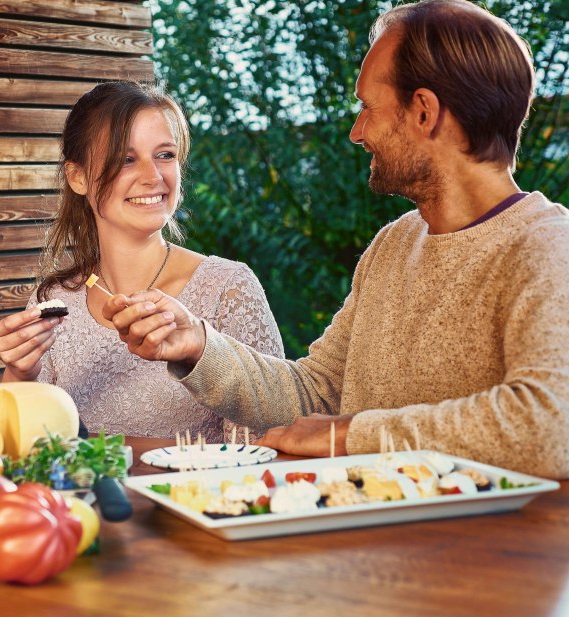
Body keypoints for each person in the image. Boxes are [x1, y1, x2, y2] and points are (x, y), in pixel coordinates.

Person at [104, 0, 569, 478]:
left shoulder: (547, 249)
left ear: (424, 112)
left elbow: (552, 426)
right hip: (378, 547)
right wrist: (199, 345)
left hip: (482, 552)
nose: (356, 131)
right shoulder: (394, 245)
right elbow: (317, 392)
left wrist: (350, 435)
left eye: (368, 106)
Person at [0, 81, 284, 441]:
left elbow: (263, 448)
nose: (153, 177)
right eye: (127, 159)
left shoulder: (229, 289)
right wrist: (20, 374)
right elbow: (28, 452)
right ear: (77, 177)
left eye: (165, 155)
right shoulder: (53, 301)